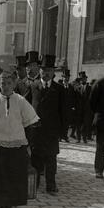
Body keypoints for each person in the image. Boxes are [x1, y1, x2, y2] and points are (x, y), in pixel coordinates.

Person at [0, 71, 39, 208]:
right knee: (0, 175)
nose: (6, 86)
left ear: (14, 84)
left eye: (9, 83)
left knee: (15, 173)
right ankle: (1, 203)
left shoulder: (20, 101)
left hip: (18, 143)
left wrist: (28, 144)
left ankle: (13, 202)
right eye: (3, 84)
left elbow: (30, 123)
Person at [30, 55, 65, 196]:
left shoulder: (59, 89)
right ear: (40, 70)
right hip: (36, 129)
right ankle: (36, 183)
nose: (46, 73)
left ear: (53, 73)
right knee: (36, 157)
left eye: (49, 70)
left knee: (51, 158)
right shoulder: (33, 86)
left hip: (51, 130)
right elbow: (26, 106)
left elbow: (64, 111)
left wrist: (62, 131)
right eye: (43, 70)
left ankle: (51, 185)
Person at [74, 71, 93, 144]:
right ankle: (78, 139)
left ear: (86, 79)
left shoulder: (89, 88)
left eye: (84, 78)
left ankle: (84, 138)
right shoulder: (77, 88)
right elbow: (75, 99)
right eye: (81, 79)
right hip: (79, 110)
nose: (83, 80)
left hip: (87, 110)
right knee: (78, 124)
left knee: (85, 124)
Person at [59, 69, 76, 143]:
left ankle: (65, 136)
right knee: (60, 122)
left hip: (68, 109)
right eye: (65, 77)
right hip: (60, 109)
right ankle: (59, 137)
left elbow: (73, 97)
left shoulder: (71, 87)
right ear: (62, 78)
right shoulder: (59, 86)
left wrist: (73, 106)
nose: (66, 79)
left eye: (67, 77)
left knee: (66, 123)